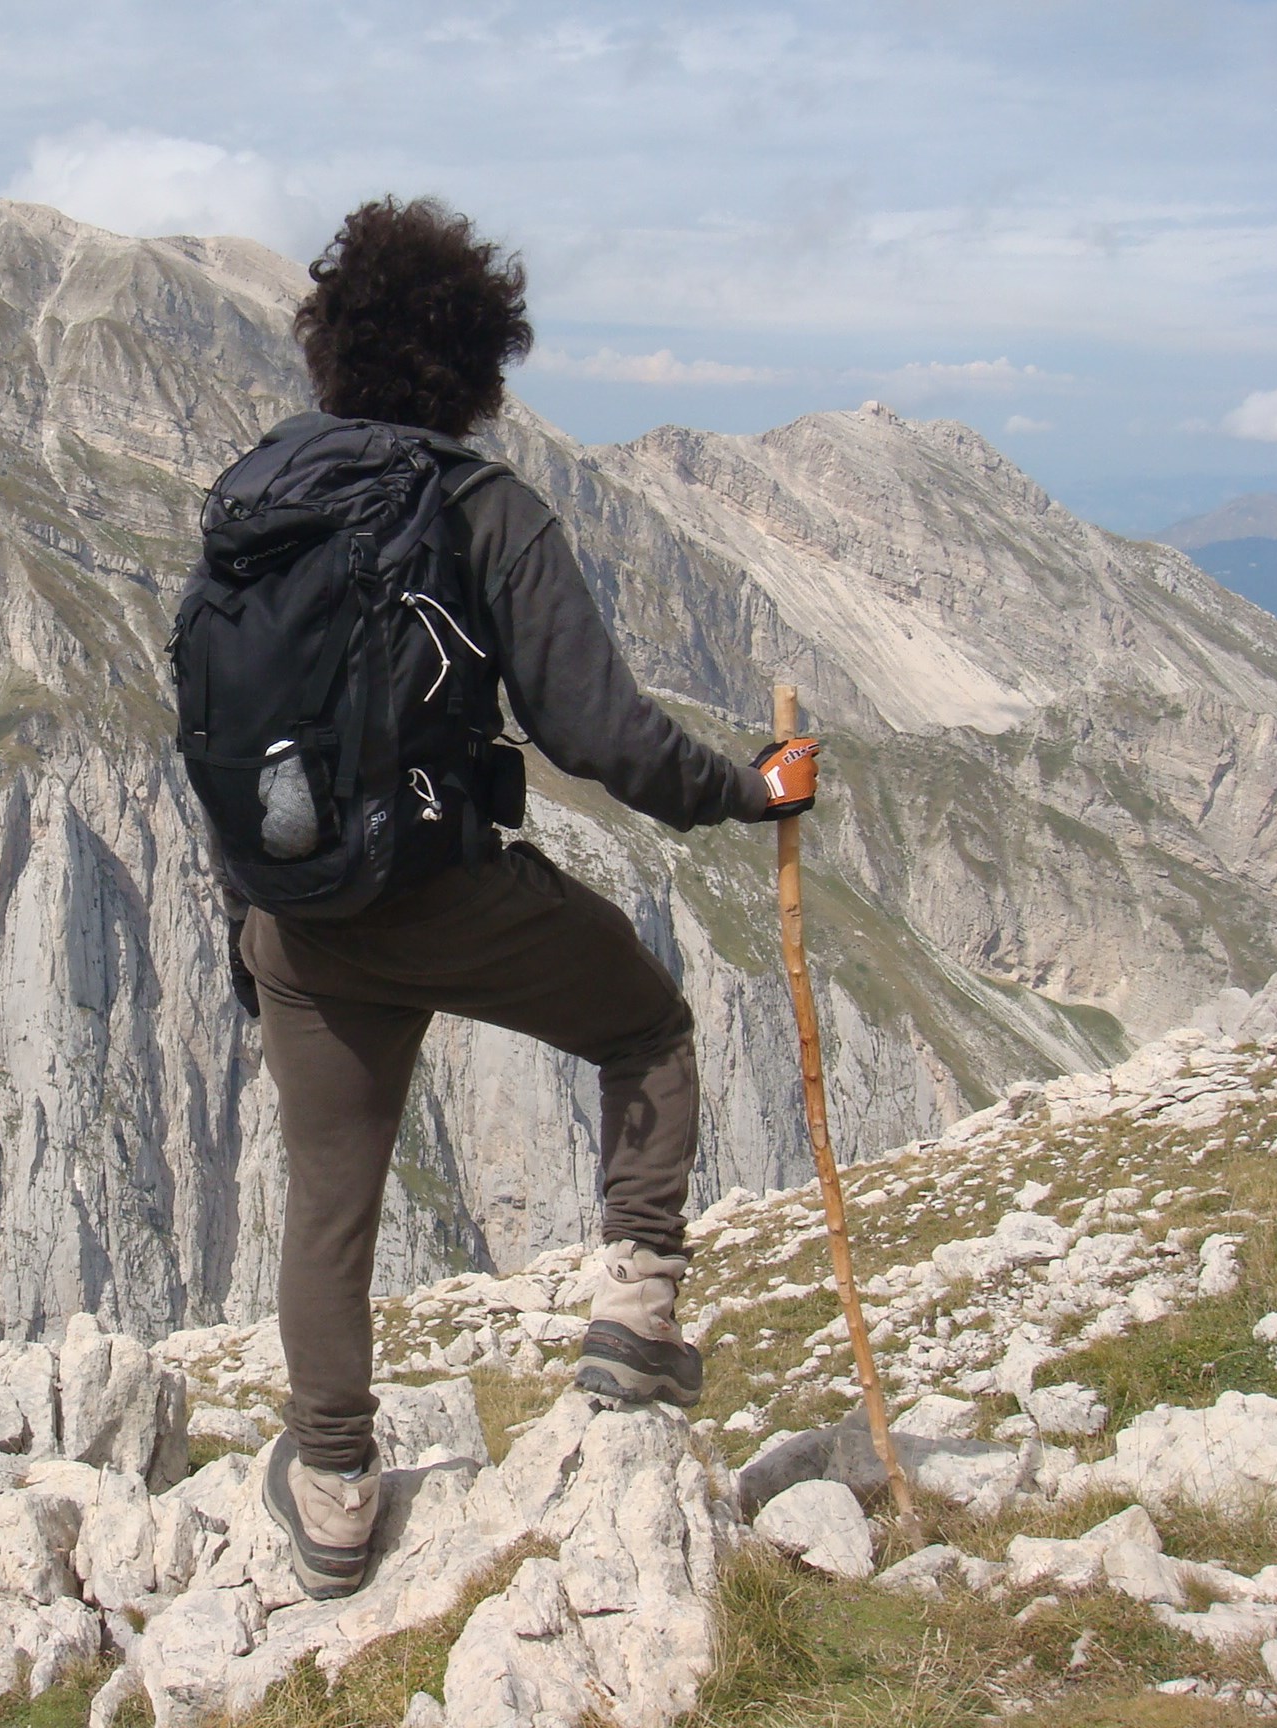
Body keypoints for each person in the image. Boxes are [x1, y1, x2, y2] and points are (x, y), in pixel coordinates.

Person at [225, 196, 820, 1599]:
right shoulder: (484, 508)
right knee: (651, 1030)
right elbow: (600, 734)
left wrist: (255, 916)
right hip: (448, 890)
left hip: (300, 921)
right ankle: (634, 1313)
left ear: (329, 348)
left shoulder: (252, 500)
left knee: (329, 1206)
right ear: (482, 361)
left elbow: (229, 735)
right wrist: (751, 790)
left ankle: (332, 1493)